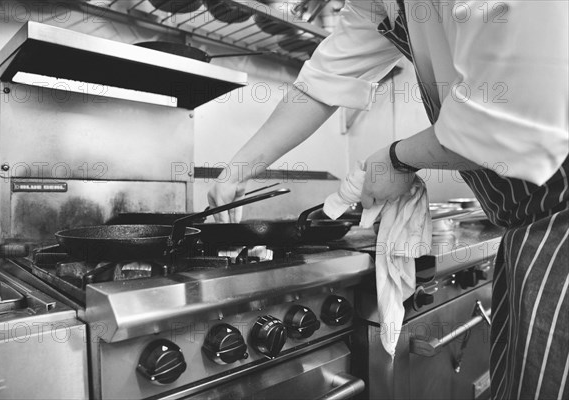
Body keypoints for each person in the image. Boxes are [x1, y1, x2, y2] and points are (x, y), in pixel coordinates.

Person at [208, 0, 568, 398]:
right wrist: (236, 170)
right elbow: (322, 82)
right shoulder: (376, 4)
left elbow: (510, 119)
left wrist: (397, 159)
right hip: (529, 229)